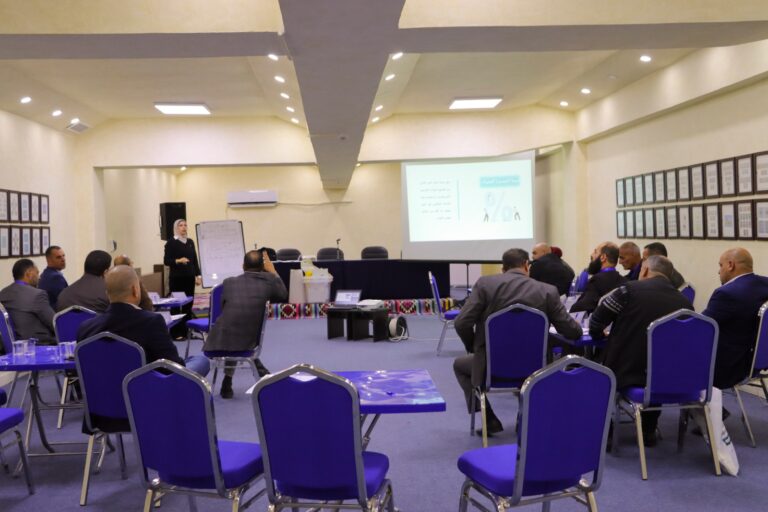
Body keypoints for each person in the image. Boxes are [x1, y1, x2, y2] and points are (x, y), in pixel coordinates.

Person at [453, 248, 582, 434]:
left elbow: (461, 323)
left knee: (459, 366)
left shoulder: (485, 285)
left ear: (503, 268)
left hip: (491, 367)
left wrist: (474, 347)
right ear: (526, 265)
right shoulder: (548, 291)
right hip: (536, 368)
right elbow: (572, 331)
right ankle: (524, 417)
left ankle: (489, 419)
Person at [589, 255, 692, 445]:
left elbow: (596, 322)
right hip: (666, 377)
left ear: (644, 270)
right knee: (656, 361)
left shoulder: (627, 291)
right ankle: (648, 430)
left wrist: (600, 335)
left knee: (597, 369)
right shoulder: (685, 303)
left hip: (625, 372)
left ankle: (606, 433)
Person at [77, 265, 209, 376]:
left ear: (107, 294)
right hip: (145, 394)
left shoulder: (86, 328)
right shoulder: (152, 322)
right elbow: (173, 367)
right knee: (201, 361)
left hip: (101, 396)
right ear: (135, 290)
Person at [203, 249, 288, 398]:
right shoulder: (269, 281)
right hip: (248, 341)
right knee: (241, 333)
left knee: (234, 328)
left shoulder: (229, 282)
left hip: (217, 341)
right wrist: (273, 272)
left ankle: (229, 378)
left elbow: (223, 309)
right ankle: (257, 369)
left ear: (243, 266)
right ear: (262, 267)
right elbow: (283, 295)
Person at [703, 248, 768, 390]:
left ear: (730, 265)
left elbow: (701, 327)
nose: (718, 271)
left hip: (728, 368)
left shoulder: (726, 294)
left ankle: (693, 404)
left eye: (720, 265)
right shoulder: (765, 284)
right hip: (758, 361)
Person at [0, 259, 56, 343]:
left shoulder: (3, 293)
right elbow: (54, 323)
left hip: (15, 346)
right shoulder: (37, 295)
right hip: (40, 344)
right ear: (29, 273)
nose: (39, 277)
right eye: (37, 273)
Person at [163, 219, 201, 338]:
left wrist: (198, 276)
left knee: (188, 306)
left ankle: (187, 332)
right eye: (181, 225)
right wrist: (178, 260)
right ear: (176, 228)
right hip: (177, 279)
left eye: (185, 225)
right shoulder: (171, 243)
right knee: (176, 305)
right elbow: (166, 261)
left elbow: (194, 260)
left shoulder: (190, 242)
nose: (184, 227)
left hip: (189, 278)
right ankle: (175, 333)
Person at [570, 242, 626, 313]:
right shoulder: (624, 281)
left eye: (595, 252)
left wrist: (569, 308)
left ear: (603, 257)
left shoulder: (597, 280)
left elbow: (581, 307)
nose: (592, 255)